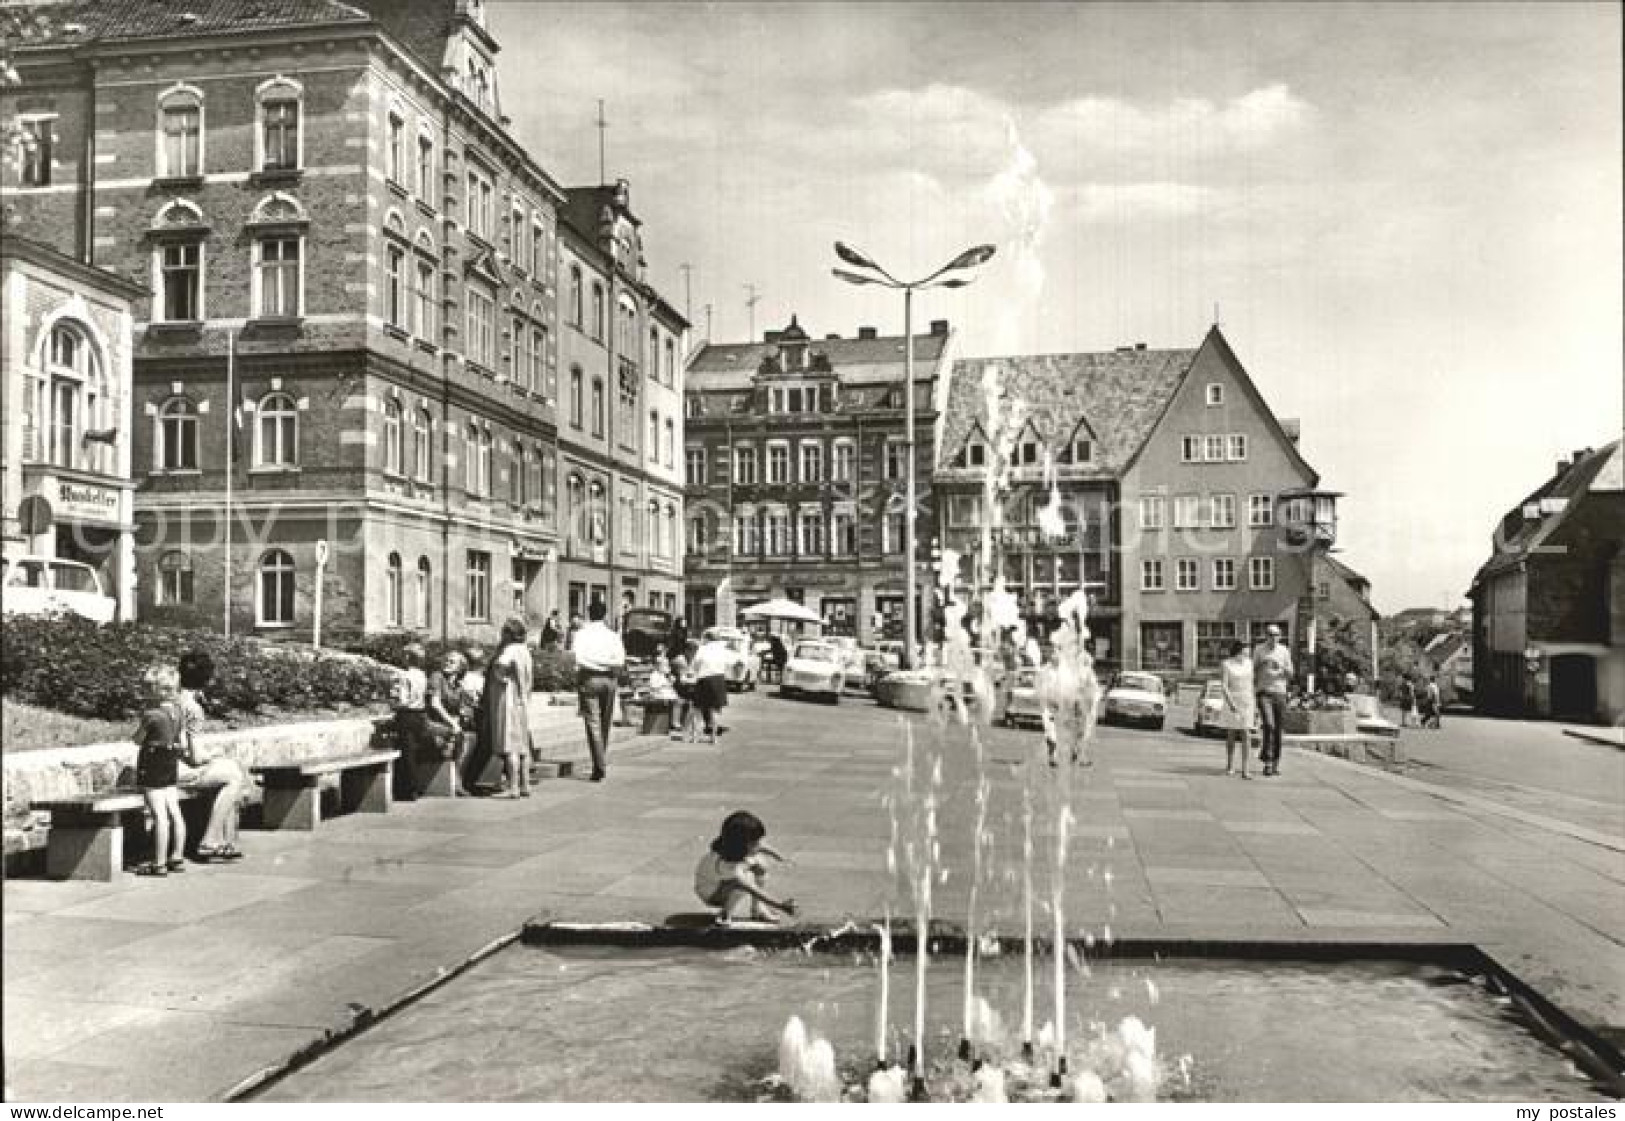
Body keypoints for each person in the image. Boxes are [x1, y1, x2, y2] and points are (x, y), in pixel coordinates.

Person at [177, 651, 248, 861]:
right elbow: (195, 758)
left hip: (164, 766)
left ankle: (227, 841)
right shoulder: (193, 709)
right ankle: (211, 839)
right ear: (207, 680)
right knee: (234, 776)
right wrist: (213, 755)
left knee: (230, 769)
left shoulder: (174, 700)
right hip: (179, 771)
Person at [133, 665, 188, 876]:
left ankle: (159, 862)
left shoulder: (152, 714)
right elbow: (182, 741)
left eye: (148, 688)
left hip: (153, 761)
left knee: (159, 814)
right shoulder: (179, 712)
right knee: (174, 809)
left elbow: (138, 740)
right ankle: (177, 855)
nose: (145, 692)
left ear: (159, 690)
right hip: (171, 760)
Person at [694, 810, 796, 924]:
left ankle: (757, 909)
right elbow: (753, 890)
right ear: (740, 845)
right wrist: (781, 905)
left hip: (720, 883)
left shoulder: (729, 847)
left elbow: (761, 847)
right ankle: (725, 914)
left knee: (760, 865)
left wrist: (779, 856)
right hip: (710, 893)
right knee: (744, 881)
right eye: (755, 843)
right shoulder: (728, 866)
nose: (759, 845)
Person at [571, 600, 626, 782]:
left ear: (589, 614)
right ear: (604, 614)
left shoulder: (581, 635)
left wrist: (594, 662)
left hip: (589, 678)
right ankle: (600, 761)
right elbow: (619, 660)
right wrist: (606, 663)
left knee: (592, 723)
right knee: (604, 722)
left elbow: (579, 658)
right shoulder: (612, 636)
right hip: (609, 679)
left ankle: (599, 765)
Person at [481, 618, 534, 797]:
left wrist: (500, 676)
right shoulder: (525, 650)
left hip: (508, 698)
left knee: (510, 744)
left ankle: (513, 787)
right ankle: (525, 784)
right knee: (523, 745)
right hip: (522, 700)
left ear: (508, 634)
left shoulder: (510, 649)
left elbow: (501, 664)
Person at [426, 651, 470, 795]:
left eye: (452, 662)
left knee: (471, 737)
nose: (447, 663)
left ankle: (458, 779)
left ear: (460, 667)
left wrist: (462, 714)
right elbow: (435, 704)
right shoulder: (437, 677)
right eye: (446, 660)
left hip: (446, 724)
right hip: (431, 722)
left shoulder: (458, 685)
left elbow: (461, 708)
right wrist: (453, 722)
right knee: (457, 736)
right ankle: (457, 782)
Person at [1253, 625, 1295, 777]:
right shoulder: (1259, 650)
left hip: (1280, 692)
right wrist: (1262, 665)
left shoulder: (1284, 651)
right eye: (1270, 634)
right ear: (1266, 635)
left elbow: (1291, 673)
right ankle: (1268, 762)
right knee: (1269, 725)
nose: (1273, 637)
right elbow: (1252, 669)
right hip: (1264, 692)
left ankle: (1275, 762)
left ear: (1280, 636)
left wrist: (1281, 668)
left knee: (1278, 729)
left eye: (1276, 635)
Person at [392, 644, 432, 792]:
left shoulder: (405, 676)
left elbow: (403, 700)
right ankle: (416, 786)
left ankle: (408, 788)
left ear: (408, 657)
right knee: (414, 751)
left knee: (406, 753)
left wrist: (393, 704)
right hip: (419, 715)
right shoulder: (422, 675)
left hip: (407, 715)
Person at [1219, 640, 1256, 779]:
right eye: (1246, 650)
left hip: (1247, 700)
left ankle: (1246, 769)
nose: (1248, 653)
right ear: (1239, 650)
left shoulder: (1250, 664)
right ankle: (1230, 765)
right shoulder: (1227, 664)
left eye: (1248, 650)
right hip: (1233, 699)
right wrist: (1231, 703)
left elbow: (1252, 684)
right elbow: (1224, 685)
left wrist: (1255, 704)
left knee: (1246, 732)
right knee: (1232, 733)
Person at [691, 630, 732, 744]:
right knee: (715, 710)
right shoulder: (722, 649)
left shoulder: (703, 648)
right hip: (718, 679)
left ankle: (695, 737)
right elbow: (728, 664)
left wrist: (695, 672)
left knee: (697, 709)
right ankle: (714, 737)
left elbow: (695, 664)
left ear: (707, 639)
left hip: (704, 678)